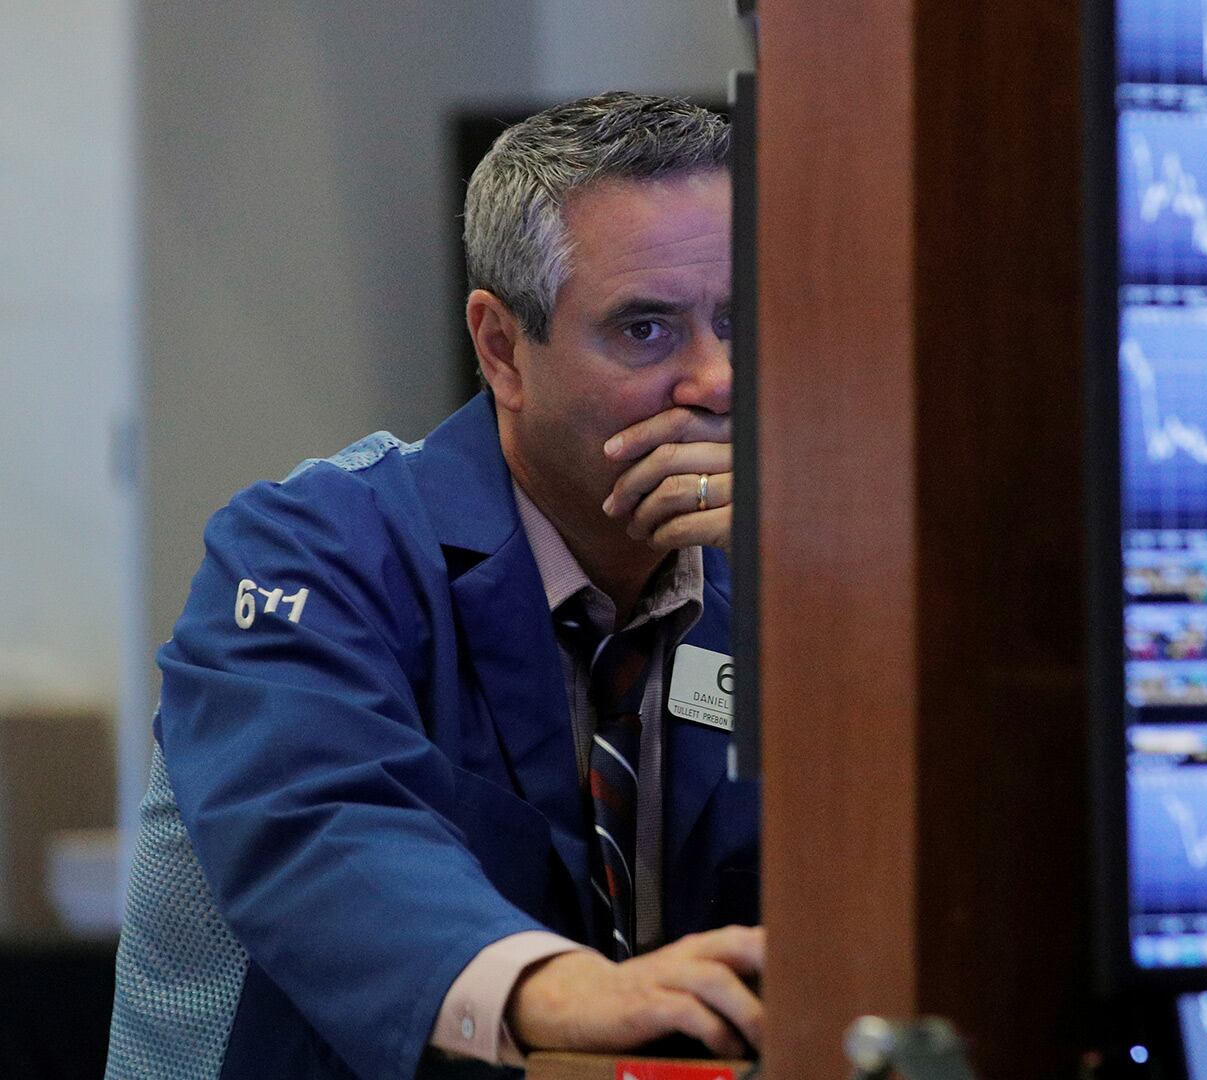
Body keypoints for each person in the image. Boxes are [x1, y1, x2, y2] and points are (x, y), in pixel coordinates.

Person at [106, 92, 762, 1080]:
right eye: (645, 330)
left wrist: (838, 597)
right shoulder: (312, 548)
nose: (717, 381)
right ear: (501, 349)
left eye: (737, 319)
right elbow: (320, 821)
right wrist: (557, 988)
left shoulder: (775, 581)